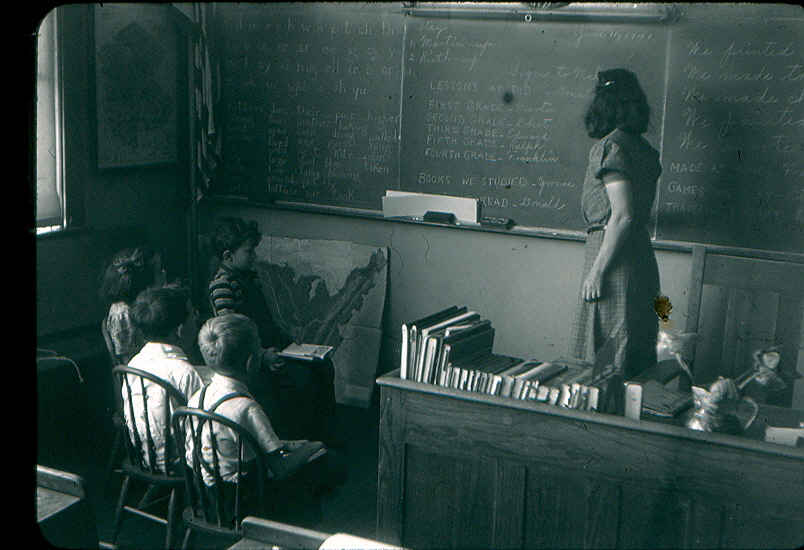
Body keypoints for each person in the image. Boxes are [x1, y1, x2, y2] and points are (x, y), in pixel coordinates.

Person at [188, 314, 347, 525]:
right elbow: (281, 470)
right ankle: (298, 528)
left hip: (209, 496)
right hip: (245, 502)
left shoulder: (197, 397)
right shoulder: (247, 408)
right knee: (332, 462)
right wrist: (312, 446)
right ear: (252, 362)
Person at [207, 216, 341, 445]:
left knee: (323, 365)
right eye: (249, 252)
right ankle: (300, 440)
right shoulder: (222, 284)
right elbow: (231, 335)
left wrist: (288, 338)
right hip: (250, 357)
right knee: (300, 379)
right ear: (228, 256)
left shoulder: (251, 278)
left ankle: (325, 435)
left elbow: (264, 320)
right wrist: (261, 355)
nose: (255, 257)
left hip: (270, 345)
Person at [569, 68, 663, 380]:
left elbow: (622, 216)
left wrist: (596, 271)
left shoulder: (611, 147)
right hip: (639, 257)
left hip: (613, 260)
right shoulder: (645, 150)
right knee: (632, 351)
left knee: (603, 361)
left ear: (605, 103)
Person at [123, 285, 204, 472]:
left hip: (146, 455)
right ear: (181, 330)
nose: (196, 318)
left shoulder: (134, 364)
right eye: (192, 314)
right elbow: (202, 429)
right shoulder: (184, 373)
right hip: (179, 461)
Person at [100, 246, 167, 365]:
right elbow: (129, 361)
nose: (163, 273)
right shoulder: (122, 313)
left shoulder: (141, 306)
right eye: (159, 271)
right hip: (143, 374)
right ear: (145, 279)